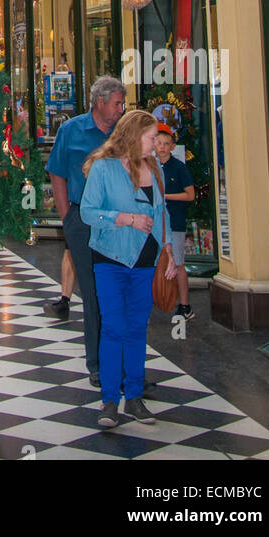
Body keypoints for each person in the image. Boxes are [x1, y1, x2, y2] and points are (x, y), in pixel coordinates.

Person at [80, 110, 177, 429]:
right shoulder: (104, 169)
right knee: (113, 328)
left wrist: (170, 254)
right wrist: (125, 218)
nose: (156, 145)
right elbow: (89, 213)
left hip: (147, 262)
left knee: (137, 328)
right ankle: (109, 401)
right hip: (110, 259)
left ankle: (134, 397)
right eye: (151, 138)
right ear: (134, 137)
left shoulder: (155, 168)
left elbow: (162, 213)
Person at [46, 76, 127, 387]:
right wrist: (68, 217)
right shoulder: (72, 130)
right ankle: (97, 363)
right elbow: (57, 172)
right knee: (93, 293)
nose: (121, 109)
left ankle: (125, 363)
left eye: (122, 103)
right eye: (117, 103)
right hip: (84, 219)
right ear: (100, 102)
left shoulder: (123, 132)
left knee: (119, 291)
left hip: (120, 221)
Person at [154, 124, 195, 319]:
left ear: (172, 146)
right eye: (159, 143)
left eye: (166, 144)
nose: (162, 147)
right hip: (155, 222)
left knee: (178, 263)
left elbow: (190, 195)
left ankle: (185, 305)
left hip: (175, 221)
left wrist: (167, 196)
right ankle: (158, 297)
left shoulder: (179, 168)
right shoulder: (150, 166)